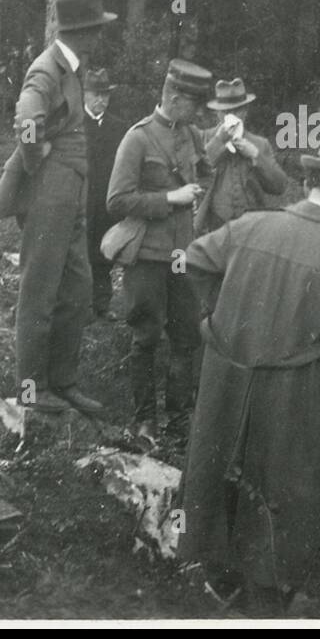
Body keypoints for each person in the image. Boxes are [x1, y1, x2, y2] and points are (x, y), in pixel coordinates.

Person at [180, 141, 320, 613]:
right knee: (288, 486)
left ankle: (221, 572)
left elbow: (192, 259)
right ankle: (272, 589)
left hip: (228, 380)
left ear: (308, 184)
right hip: (300, 393)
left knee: (221, 469)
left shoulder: (251, 224)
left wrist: (212, 320)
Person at [0, 0, 117, 415]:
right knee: (39, 289)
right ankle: (31, 389)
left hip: (71, 190)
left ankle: (62, 382)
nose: (100, 37)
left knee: (76, 288)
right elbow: (27, 119)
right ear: (86, 32)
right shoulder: (46, 69)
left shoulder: (72, 69)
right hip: (49, 191)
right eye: (98, 29)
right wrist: (33, 154)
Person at [106, 58, 214, 439]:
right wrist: (170, 197)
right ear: (173, 96)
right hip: (147, 256)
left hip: (182, 255)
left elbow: (204, 173)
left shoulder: (192, 135)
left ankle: (180, 417)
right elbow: (117, 201)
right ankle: (145, 419)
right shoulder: (137, 138)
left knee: (186, 334)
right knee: (146, 336)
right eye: (194, 104)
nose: (199, 112)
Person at [194, 76, 286, 235]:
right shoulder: (203, 138)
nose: (232, 116)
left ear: (245, 112)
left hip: (251, 229)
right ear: (217, 113)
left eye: (237, 110)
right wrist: (219, 141)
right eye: (226, 111)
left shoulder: (260, 143)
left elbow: (279, 186)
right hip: (213, 227)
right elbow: (193, 174)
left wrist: (256, 155)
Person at [82, 67, 129, 319]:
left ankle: (102, 303)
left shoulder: (119, 127)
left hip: (107, 199)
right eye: (95, 94)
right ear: (85, 95)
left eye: (105, 95)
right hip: (81, 199)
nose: (101, 100)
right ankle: (83, 305)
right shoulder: (75, 124)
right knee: (81, 253)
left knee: (104, 251)